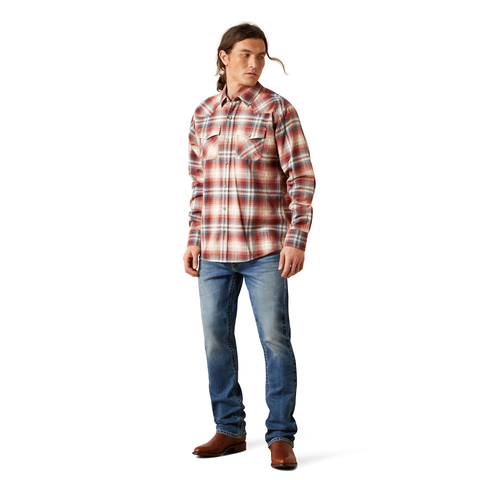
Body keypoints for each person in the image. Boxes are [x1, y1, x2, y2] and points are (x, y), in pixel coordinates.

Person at [183, 23, 315, 469]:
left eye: (261, 56)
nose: (255, 63)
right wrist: (193, 238)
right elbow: (199, 185)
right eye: (245, 55)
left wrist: (296, 239)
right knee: (215, 340)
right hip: (213, 251)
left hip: (265, 249)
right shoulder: (203, 114)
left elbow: (302, 177)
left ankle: (280, 435)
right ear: (224, 57)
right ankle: (229, 429)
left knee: (275, 340)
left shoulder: (278, 109)